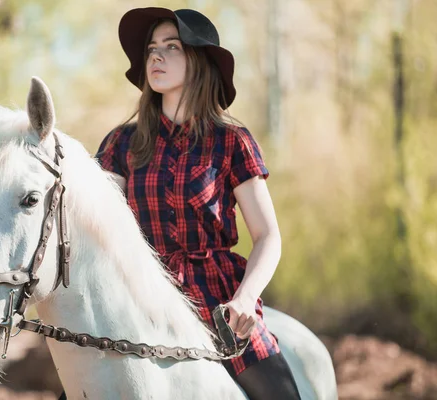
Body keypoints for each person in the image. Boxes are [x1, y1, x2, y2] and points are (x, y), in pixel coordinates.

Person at [93, 7, 301, 400]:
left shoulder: (231, 141)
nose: (155, 56)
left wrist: (244, 299)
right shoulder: (121, 143)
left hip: (218, 303)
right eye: (151, 48)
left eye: (171, 46)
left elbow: (268, 235)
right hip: (141, 296)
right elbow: (98, 226)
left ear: (199, 61)